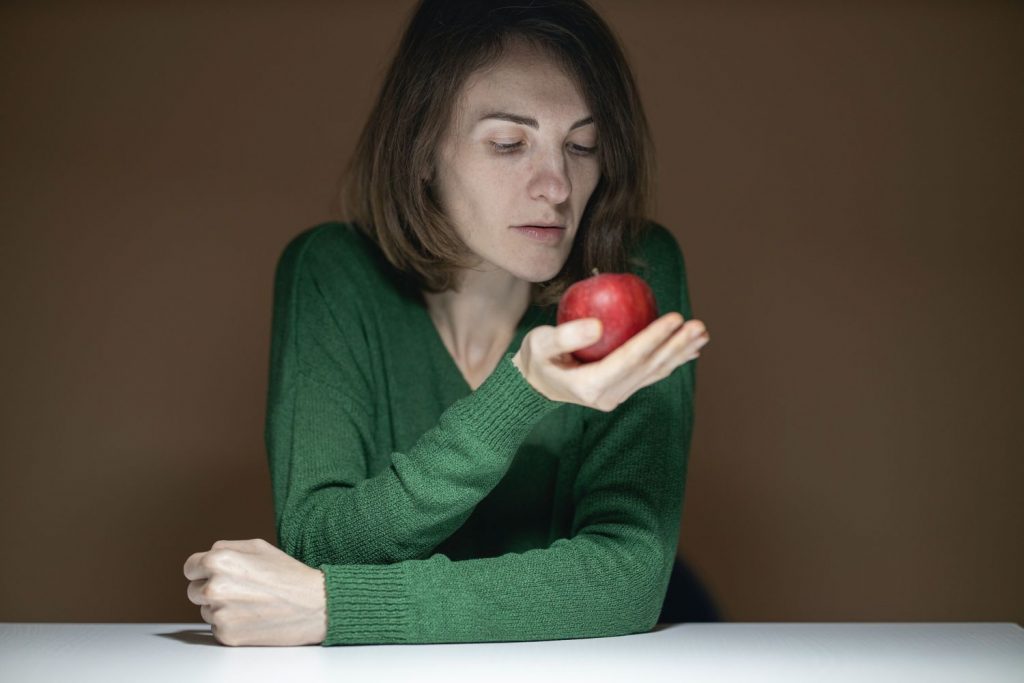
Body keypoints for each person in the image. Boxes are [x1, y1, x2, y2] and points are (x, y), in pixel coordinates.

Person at [184, 0, 710, 647]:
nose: (557, 186)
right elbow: (319, 537)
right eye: (509, 143)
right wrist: (521, 392)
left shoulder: (635, 265)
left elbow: (626, 578)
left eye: (582, 145)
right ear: (423, 151)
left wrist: (335, 606)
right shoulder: (332, 271)